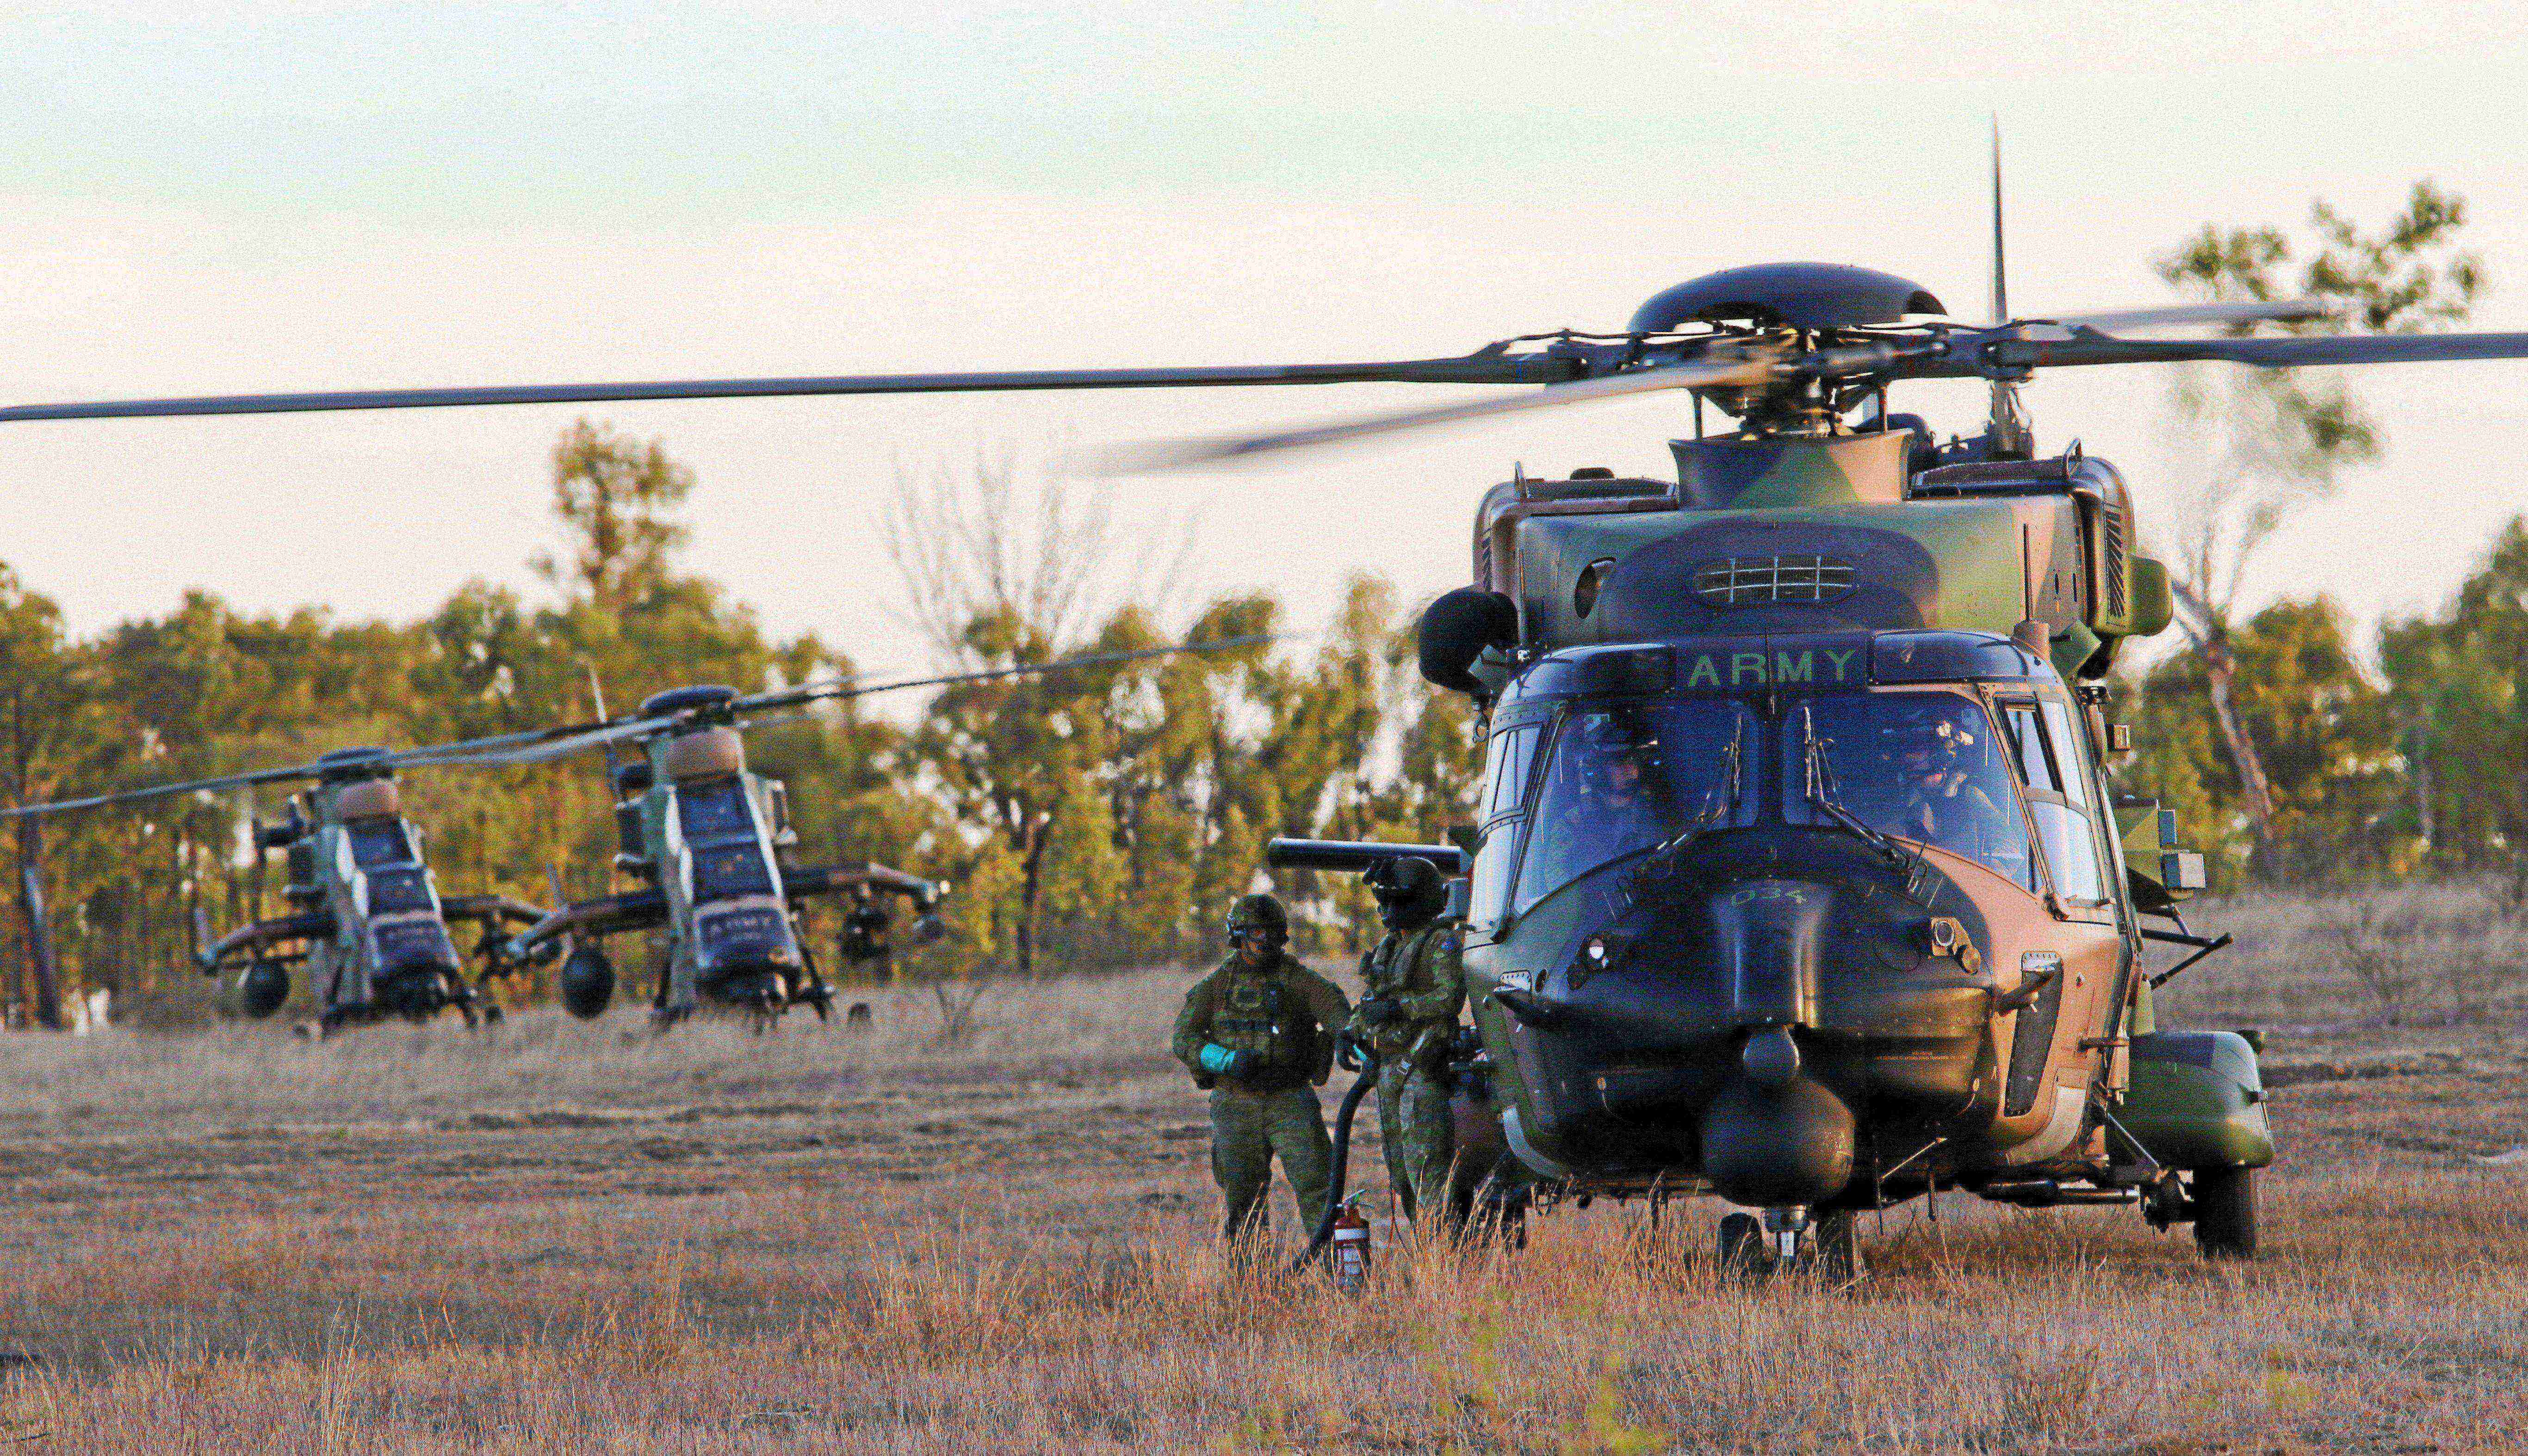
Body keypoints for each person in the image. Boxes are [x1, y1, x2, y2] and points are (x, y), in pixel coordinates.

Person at [1171, 893, 1352, 1244]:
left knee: (1319, 1191)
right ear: (1238, 935)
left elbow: (1333, 1006)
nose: (1265, 941)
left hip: (1291, 1100)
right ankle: (1253, 1290)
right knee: (1242, 1202)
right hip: (1235, 1104)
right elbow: (1183, 1038)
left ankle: (1340, 1281)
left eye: (1272, 932)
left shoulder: (1298, 980)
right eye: (1256, 933)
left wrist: (1346, 1033)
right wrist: (1224, 1060)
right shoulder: (1217, 986)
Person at [1346, 856, 1466, 1225]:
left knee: (1429, 1171)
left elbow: (1449, 999)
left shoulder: (1441, 942)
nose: (1390, 911)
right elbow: (1372, 1000)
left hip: (1421, 1069)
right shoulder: (1389, 946)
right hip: (1388, 1070)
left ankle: (1445, 1260)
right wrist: (1350, 1032)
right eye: (1385, 902)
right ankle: (1432, 1256)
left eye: (1400, 902)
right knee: (1402, 1175)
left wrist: (1400, 1007)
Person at [1895, 716, 2008, 850]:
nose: (1909, 757)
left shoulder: (1970, 796)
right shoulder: (1906, 797)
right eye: (1909, 752)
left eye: (1919, 751)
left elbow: (2008, 841)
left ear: (1939, 759)